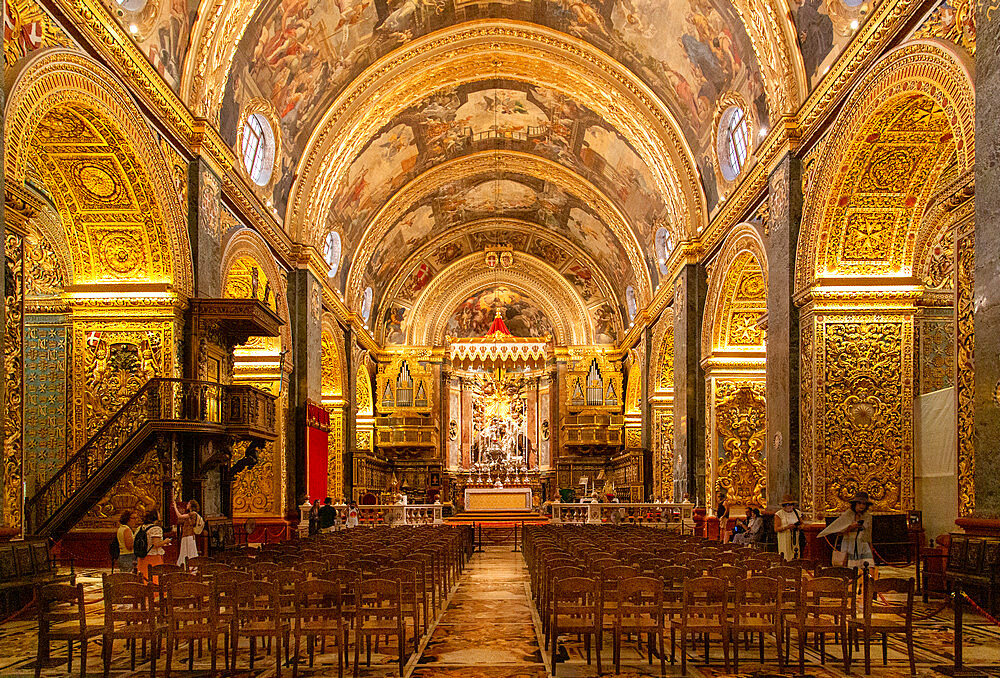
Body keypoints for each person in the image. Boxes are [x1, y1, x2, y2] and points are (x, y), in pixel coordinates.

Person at [819, 490, 874, 567]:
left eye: (864, 504)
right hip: (849, 544)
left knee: (866, 566)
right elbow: (839, 531)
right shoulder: (848, 515)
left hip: (863, 545)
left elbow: (868, 534)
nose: (861, 506)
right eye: (859, 503)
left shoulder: (867, 516)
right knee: (849, 567)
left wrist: (870, 548)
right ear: (855, 504)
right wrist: (851, 527)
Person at [136, 509, 169, 584]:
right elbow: (156, 544)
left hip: (142, 556)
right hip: (153, 557)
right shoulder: (156, 529)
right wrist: (165, 541)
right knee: (154, 578)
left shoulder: (140, 528)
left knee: (144, 577)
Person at [774, 494, 805, 560]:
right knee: (785, 553)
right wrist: (787, 527)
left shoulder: (797, 512)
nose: (789, 507)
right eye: (787, 505)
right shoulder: (779, 514)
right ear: (784, 506)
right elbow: (776, 529)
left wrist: (798, 527)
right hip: (784, 537)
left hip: (795, 537)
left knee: (795, 553)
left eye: (791, 504)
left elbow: (802, 524)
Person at [174, 499, 202, 567]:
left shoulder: (193, 513)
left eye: (188, 504)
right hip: (186, 535)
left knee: (189, 551)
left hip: (188, 535)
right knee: (186, 551)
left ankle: (190, 566)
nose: (187, 505)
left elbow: (180, 516)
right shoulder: (191, 514)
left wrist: (175, 507)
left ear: (191, 505)